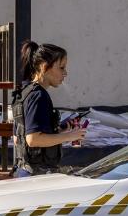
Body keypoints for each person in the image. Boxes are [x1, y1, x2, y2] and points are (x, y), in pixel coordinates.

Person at [11, 41, 86, 177]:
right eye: (61, 68)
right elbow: (33, 140)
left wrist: (58, 131)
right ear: (44, 67)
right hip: (37, 176)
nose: (65, 73)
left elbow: (18, 139)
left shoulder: (24, 93)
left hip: (23, 171)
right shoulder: (39, 96)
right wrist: (70, 136)